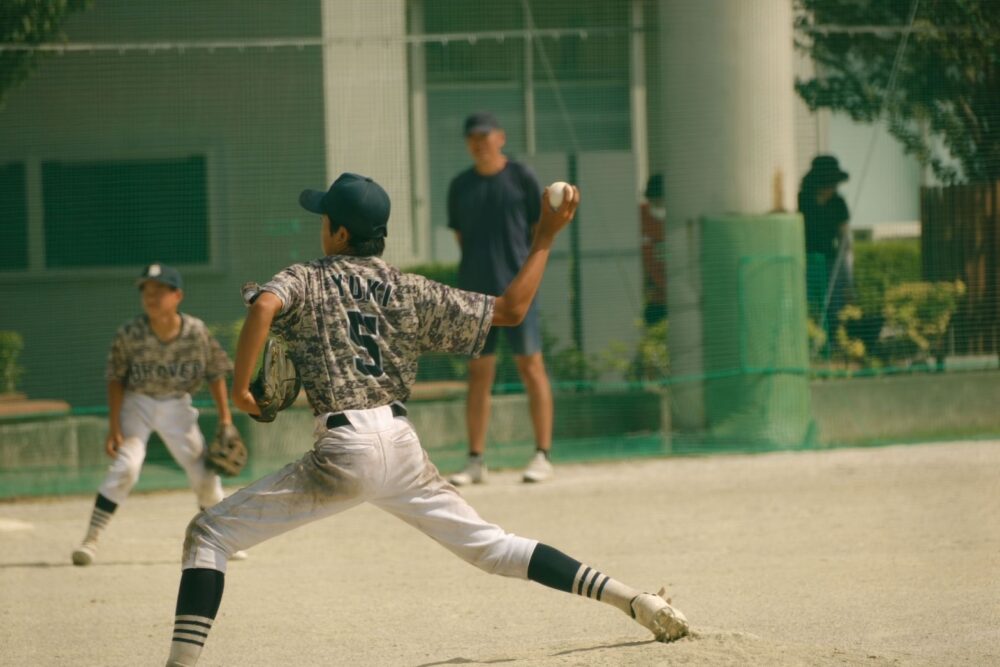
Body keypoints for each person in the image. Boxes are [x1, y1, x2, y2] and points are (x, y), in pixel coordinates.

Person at [163, 173, 689, 666]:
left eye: (325, 219)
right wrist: (546, 235)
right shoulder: (407, 288)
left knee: (208, 534)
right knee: (496, 546)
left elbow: (263, 308)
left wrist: (238, 386)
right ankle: (633, 599)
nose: (320, 226)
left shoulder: (309, 276)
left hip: (345, 449)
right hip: (401, 444)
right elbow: (509, 311)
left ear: (340, 232)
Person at [72, 264, 246, 565]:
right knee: (127, 466)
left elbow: (216, 373)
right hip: (137, 403)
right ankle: (91, 539)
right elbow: (115, 378)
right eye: (146, 292)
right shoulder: (130, 333)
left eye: (158, 291)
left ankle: (222, 539)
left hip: (177, 404)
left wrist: (225, 420)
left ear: (177, 295)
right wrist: (114, 426)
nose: (150, 298)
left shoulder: (195, 331)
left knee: (204, 475)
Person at [447, 111, 554, 486]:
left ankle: (542, 455)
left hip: (518, 291)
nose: (479, 141)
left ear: (500, 137)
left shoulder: (521, 177)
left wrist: (524, 276)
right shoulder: (460, 185)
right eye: (472, 136)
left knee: (531, 366)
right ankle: (476, 461)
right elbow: (461, 236)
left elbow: (539, 229)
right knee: (479, 374)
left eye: (485, 134)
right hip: (475, 295)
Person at [798, 154, 854, 335]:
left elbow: (845, 237)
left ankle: (833, 341)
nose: (831, 188)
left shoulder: (838, 204)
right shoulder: (803, 201)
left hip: (831, 261)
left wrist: (848, 274)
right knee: (809, 301)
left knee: (834, 303)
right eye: (827, 183)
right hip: (806, 260)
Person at [639, 173, 667, 326]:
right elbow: (647, 259)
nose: (656, 203)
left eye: (660, 200)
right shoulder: (642, 215)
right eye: (653, 200)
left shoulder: (676, 217)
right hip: (654, 291)